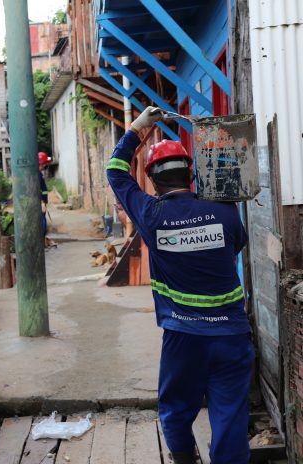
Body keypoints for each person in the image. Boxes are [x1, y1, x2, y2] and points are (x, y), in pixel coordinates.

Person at [106, 107, 253, 464]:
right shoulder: (225, 210)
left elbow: (115, 172)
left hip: (183, 338)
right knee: (230, 415)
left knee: (175, 410)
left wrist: (140, 126)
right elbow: (236, 244)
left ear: (152, 180)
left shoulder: (151, 215)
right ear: (191, 173)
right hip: (232, 334)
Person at [38, 152, 53, 247]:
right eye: (45, 164)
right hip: (40, 202)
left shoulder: (38, 173)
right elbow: (41, 190)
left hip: (42, 201)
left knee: (43, 220)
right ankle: (41, 240)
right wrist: (42, 201)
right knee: (42, 220)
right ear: (41, 163)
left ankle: (42, 240)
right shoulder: (37, 175)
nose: (46, 165)